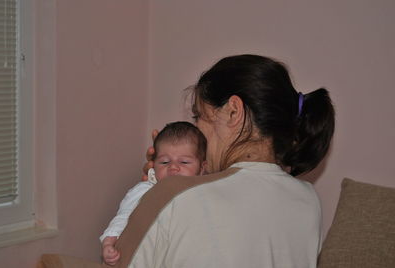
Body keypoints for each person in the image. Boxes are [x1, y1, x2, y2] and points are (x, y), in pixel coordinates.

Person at [113, 54, 335, 268]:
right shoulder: (308, 200)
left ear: (233, 112)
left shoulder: (173, 195)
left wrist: (151, 196)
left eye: (198, 115)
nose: (197, 128)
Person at [100, 121, 207, 266]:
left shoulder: (204, 194)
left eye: (184, 162)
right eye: (164, 162)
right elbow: (123, 216)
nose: (173, 168)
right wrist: (109, 242)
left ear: (202, 168)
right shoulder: (144, 190)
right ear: (153, 165)